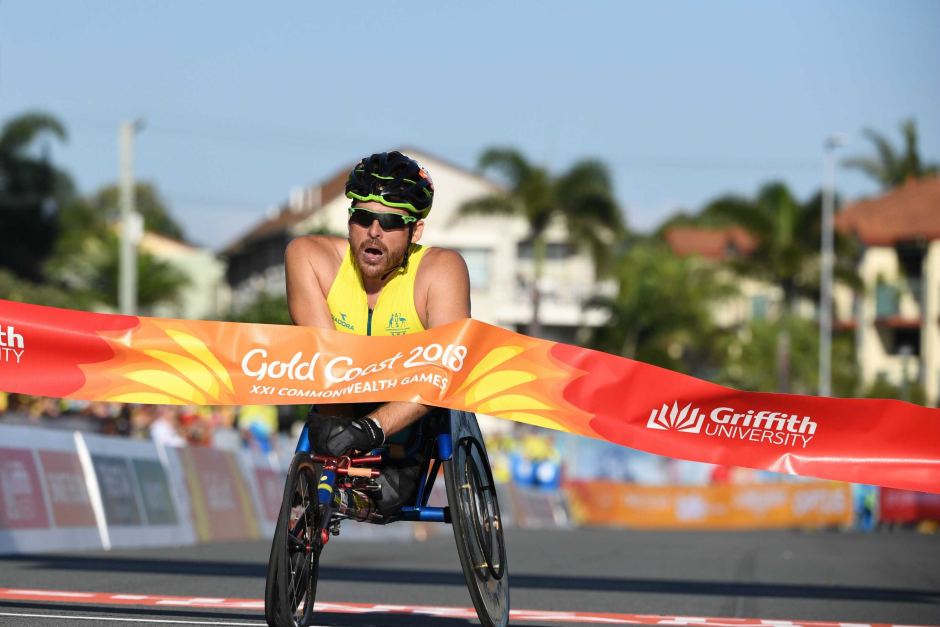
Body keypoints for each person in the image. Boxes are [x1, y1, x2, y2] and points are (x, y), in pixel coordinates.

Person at [284, 150, 470, 515]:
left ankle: (373, 484)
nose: (374, 231)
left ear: (415, 230)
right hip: (340, 396)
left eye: (390, 221)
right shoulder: (309, 256)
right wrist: (346, 427)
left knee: (388, 494)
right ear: (350, 220)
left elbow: (446, 371)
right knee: (325, 434)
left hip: (411, 412)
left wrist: (371, 429)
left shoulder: (441, 270)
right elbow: (324, 359)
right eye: (364, 217)